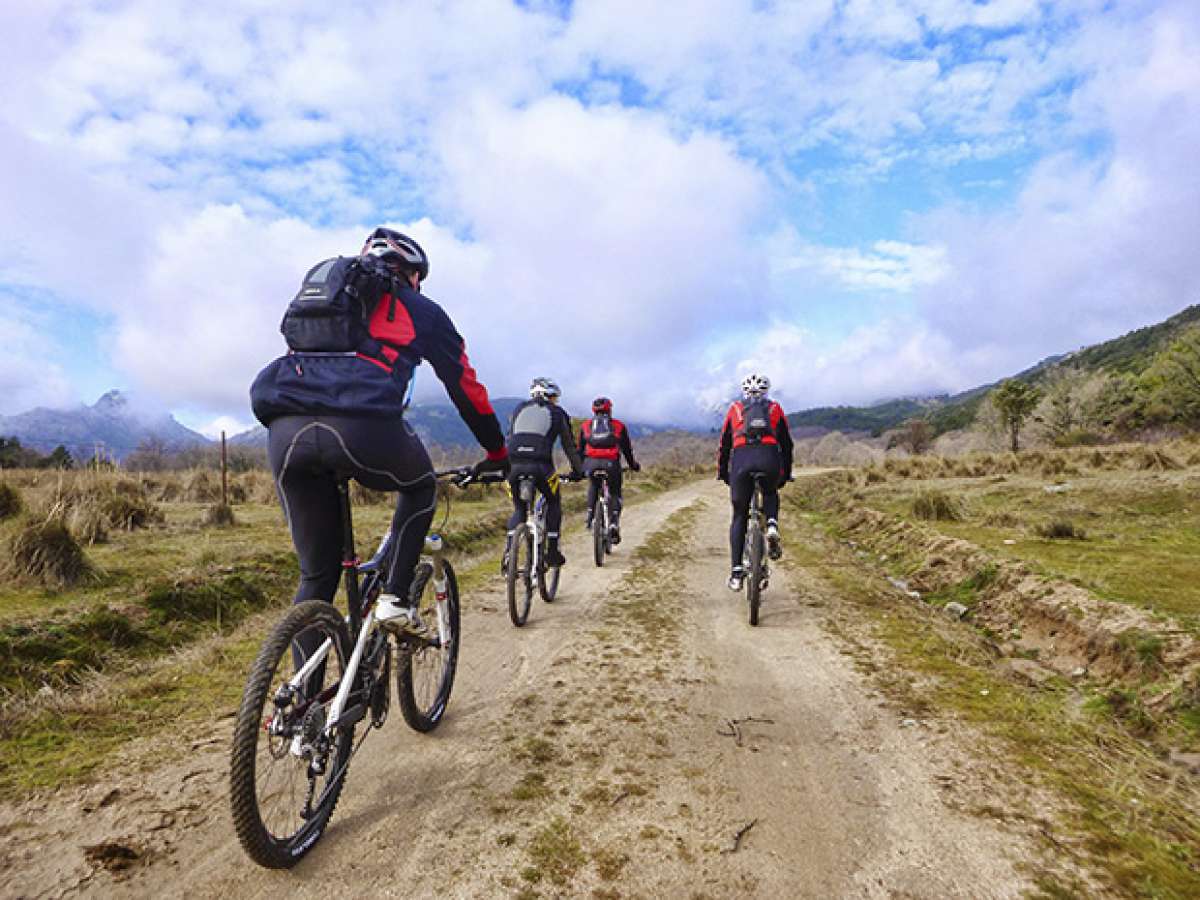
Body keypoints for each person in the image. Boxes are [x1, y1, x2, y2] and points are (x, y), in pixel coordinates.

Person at [250, 227, 509, 632]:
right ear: (414, 275)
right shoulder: (422, 310)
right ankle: (396, 598)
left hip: (286, 433)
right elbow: (465, 388)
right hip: (363, 428)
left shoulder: (328, 302)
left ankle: (304, 694)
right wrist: (496, 452)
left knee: (317, 577)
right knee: (421, 486)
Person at [717, 373, 794, 591]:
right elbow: (787, 445)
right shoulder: (775, 409)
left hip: (741, 461)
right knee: (770, 492)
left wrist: (724, 473)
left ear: (744, 392)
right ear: (766, 391)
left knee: (740, 514)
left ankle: (736, 571)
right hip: (769, 458)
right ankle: (771, 523)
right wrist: (785, 473)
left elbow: (724, 446)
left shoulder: (735, 409)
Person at [505, 377, 584, 567]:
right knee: (553, 501)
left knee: (519, 509)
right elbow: (569, 446)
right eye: (555, 397)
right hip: (541, 467)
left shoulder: (519, 409)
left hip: (513, 466)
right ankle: (553, 552)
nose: (556, 401)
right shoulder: (557, 413)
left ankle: (509, 554)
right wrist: (578, 471)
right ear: (550, 396)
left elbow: (510, 438)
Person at [579, 396, 640, 544]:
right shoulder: (618, 426)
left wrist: (579, 468)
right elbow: (626, 450)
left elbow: (579, 450)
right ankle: (613, 522)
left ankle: (590, 515)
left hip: (591, 464)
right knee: (615, 491)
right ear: (609, 409)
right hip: (611, 465)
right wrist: (633, 465)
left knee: (593, 485)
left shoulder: (586, 426)